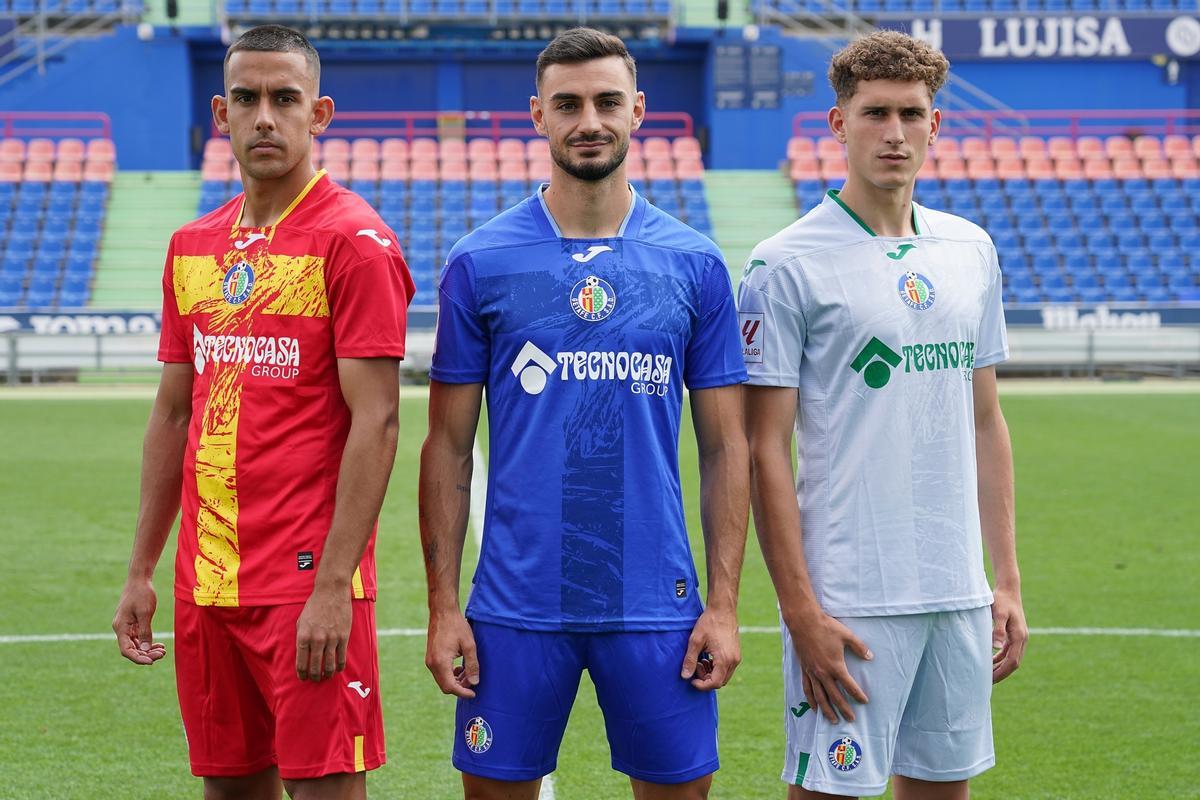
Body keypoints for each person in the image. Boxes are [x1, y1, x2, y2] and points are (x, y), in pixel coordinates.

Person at [419, 27, 750, 800]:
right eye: (567, 104)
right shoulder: (481, 261)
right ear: (538, 114)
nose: (588, 120)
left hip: (656, 604)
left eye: (606, 102)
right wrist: (443, 609)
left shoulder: (694, 264)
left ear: (638, 111)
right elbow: (446, 448)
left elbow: (726, 448)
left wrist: (725, 607)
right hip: (514, 605)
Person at [111, 24, 413, 800]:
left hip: (305, 583)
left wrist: (334, 586)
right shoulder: (192, 247)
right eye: (246, 99)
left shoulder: (354, 241)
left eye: (286, 99)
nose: (265, 118)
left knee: (323, 789)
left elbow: (377, 421)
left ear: (321, 114)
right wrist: (143, 568)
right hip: (204, 581)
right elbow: (174, 414)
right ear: (221, 112)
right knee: (229, 789)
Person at [738, 30, 1028, 800]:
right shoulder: (785, 263)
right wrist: (800, 610)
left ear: (937, 125)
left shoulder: (971, 250)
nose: (894, 134)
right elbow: (762, 450)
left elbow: (984, 422)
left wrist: (1005, 582)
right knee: (829, 793)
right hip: (853, 596)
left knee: (942, 792)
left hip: (957, 592)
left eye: (911, 114)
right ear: (838, 124)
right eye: (874, 114)